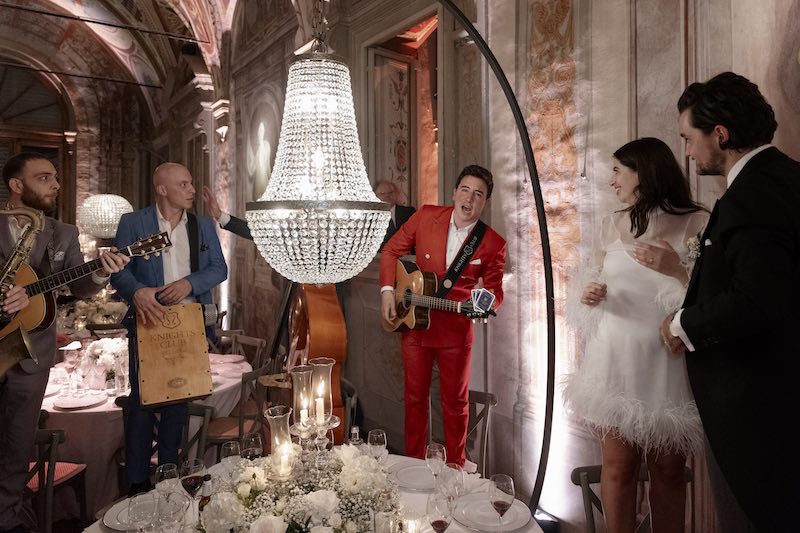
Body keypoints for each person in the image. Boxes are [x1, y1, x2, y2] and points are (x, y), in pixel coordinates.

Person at [660, 72, 800, 532]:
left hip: (757, 410)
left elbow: (757, 298)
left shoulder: (752, 195)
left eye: (688, 138)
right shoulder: (786, 177)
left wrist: (683, 324)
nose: (687, 151)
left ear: (720, 134)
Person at [564, 138, 708, 533]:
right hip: (616, 362)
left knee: (669, 471)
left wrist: (678, 268)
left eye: (617, 171)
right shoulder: (612, 224)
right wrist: (589, 292)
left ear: (642, 173)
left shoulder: (697, 221)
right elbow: (591, 278)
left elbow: (712, 297)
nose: (612, 181)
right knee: (618, 467)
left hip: (668, 362)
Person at [0, 152, 129, 532]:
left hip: (29, 355)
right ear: (16, 185)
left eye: (55, 177)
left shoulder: (64, 233)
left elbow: (80, 285)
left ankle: (6, 520)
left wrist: (102, 274)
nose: (55, 184)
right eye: (44, 178)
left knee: (16, 448)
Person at [112, 163, 227, 495]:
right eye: (184, 184)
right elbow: (118, 272)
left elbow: (219, 268)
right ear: (162, 189)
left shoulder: (203, 225)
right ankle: (135, 483)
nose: (192, 189)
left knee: (179, 401)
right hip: (148, 322)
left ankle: (168, 479)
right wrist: (136, 292)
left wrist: (188, 283)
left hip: (189, 324)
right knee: (143, 401)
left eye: (191, 183)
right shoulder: (133, 223)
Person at [379, 164, 505, 466]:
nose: (470, 199)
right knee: (414, 400)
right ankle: (413, 465)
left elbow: (495, 292)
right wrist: (386, 290)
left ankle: (456, 468)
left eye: (478, 194)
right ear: (454, 192)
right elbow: (390, 252)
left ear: (485, 202)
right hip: (415, 324)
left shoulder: (492, 243)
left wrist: (486, 300)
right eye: (465, 190)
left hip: (456, 331)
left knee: (455, 404)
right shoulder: (425, 216)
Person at [374, 180, 415, 249]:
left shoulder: (409, 212)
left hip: (407, 256)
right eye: (382, 193)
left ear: (396, 194)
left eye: (390, 192)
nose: (387, 196)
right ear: (375, 196)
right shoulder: (372, 216)